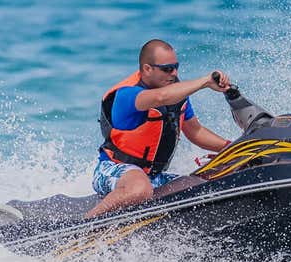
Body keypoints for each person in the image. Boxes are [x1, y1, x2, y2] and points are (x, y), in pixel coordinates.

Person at [85, 39, 233, 218]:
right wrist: (205, 81)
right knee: (140, 188)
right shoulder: (128, 95)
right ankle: (88, 225)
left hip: (152, 177)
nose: (174, 73)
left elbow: (196, 132)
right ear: (147, 69)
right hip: (113, 170)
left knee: (201, 186)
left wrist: (232, 147)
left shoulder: (176, 94)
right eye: (167, 68)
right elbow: (160, 98)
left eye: (176, 67)